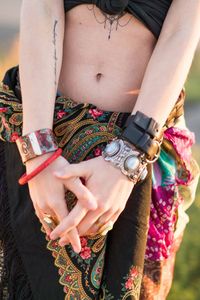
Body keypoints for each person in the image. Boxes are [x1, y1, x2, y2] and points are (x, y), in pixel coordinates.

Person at [0, 0, 199, 299]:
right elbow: (41, 7)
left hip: (140, 143)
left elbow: (183, 29)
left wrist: (129, 156)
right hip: (41, 133)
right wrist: (39, 152)